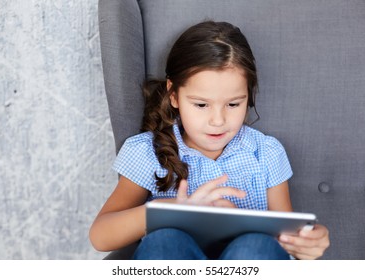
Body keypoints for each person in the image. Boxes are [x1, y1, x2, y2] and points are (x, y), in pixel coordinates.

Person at [89, 21, 329, 260]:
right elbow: (101, 236)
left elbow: (287, 238)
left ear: (249, 96)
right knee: (165, 240)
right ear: (174, 95)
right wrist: (172, 211)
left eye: (233, 104)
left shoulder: (266, 152)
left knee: (255, 246)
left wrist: (309, 241)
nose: (218, 120)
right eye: (201, 105)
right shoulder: (146, 152)